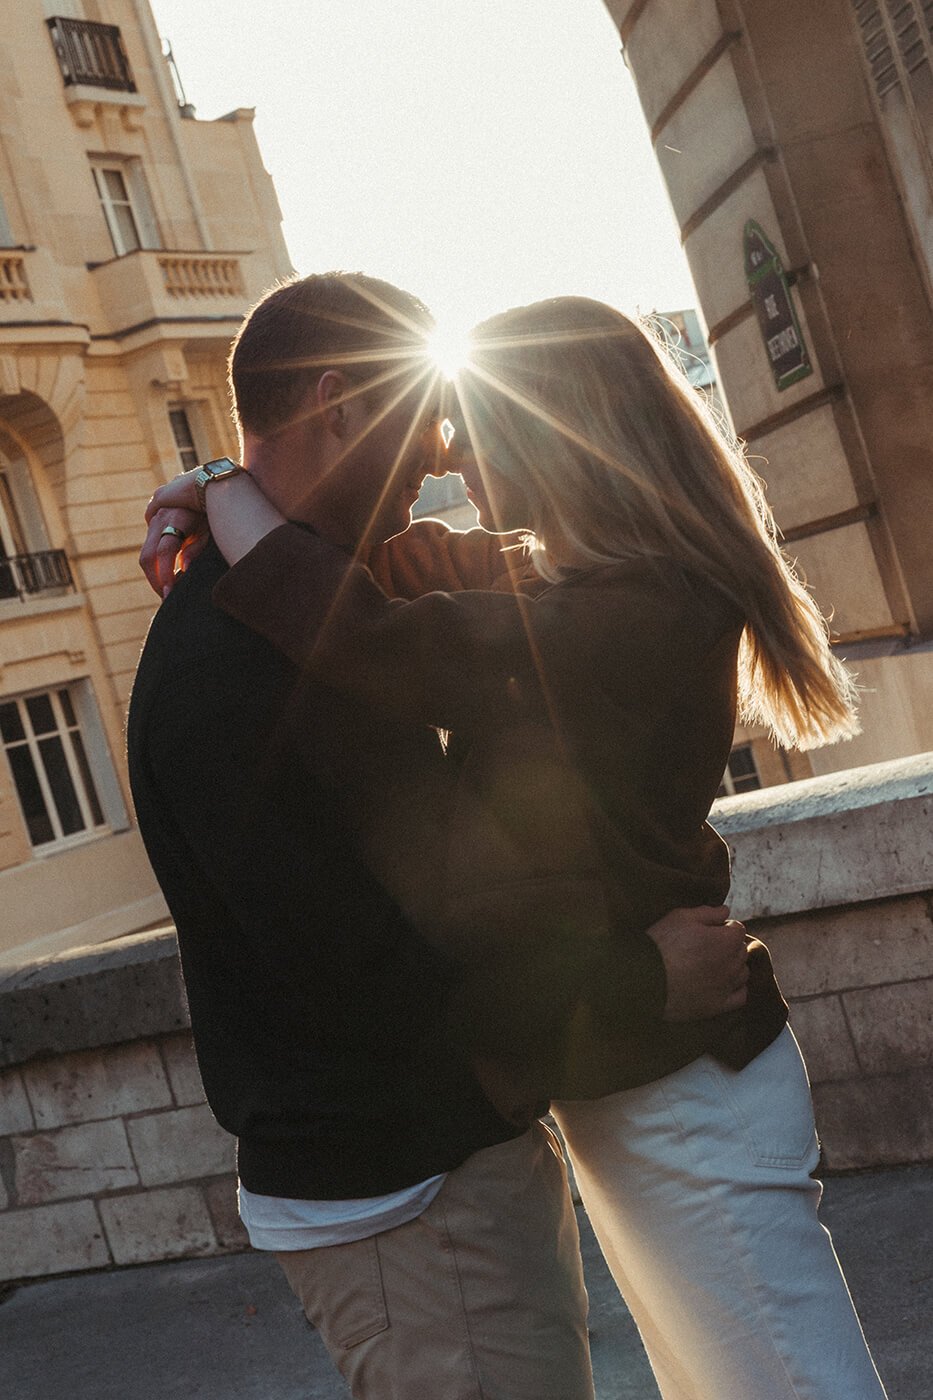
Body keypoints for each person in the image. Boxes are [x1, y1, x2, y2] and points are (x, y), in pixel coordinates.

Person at [143, 293, 888, 1399]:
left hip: (685, 1080)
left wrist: (228, 491)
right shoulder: (573, 582)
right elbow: (406, 573)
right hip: (634, 1072)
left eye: (469, 425)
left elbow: (377, 636)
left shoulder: (637, 605)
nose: (447, 454)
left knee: (791, 1383)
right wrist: (223, 485)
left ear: (558, 437)